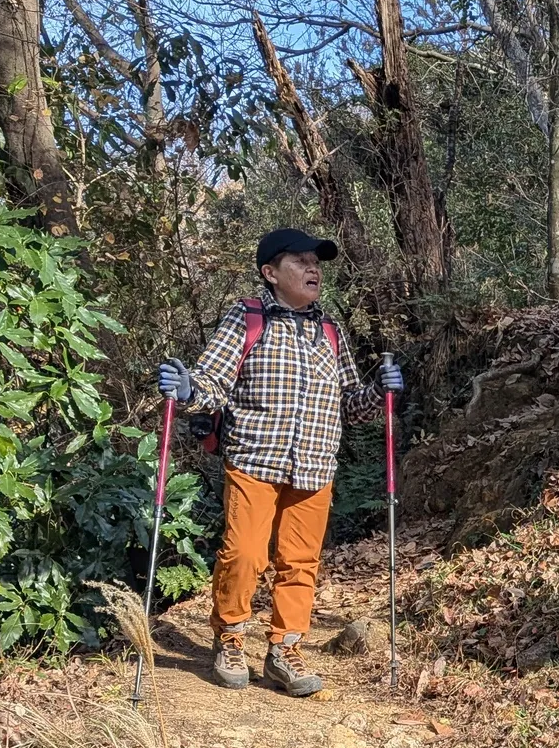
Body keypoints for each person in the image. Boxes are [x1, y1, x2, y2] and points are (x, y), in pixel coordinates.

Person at [157, 228, 402, 696]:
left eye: (317, 262)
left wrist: (379, 391)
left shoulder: (330, 330)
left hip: (314, 463)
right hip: (255, 458)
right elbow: (212, 380)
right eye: (300, 261)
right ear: (270, 273)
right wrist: (189, 389)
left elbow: (350, 403)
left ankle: (284, 651)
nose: (314, 269)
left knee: (300, 562)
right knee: (245, 552)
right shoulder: (247, 318)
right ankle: (229, 635)